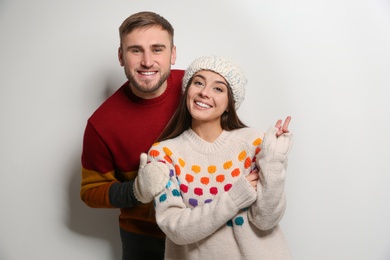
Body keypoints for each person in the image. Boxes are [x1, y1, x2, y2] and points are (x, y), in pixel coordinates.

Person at [141, 56, 293, 259]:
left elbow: (266, 220)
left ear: (230, 103)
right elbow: (175, 228)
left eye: (218, 88)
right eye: (198, 82)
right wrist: (235, 197)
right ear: (188, 91)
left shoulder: (256, 143)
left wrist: (274, 161)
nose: (204, 92)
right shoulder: (163, 153)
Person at [80, 11, 184, 259]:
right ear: (121, 56)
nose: (147, 61)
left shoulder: (196, 88)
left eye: (157, 49)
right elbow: (90, 192)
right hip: (145, 238)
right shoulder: (101, 124)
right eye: (136, 50)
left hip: (209, 228)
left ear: (173, 54)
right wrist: (136, 191)